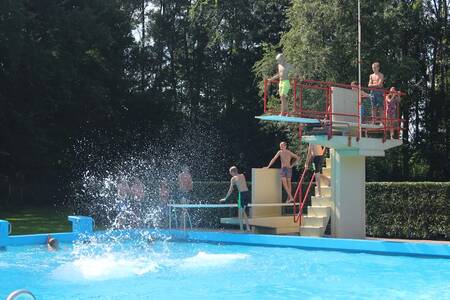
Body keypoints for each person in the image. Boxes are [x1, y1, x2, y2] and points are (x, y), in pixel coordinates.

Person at [219, 166, 250, 231]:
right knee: (243, 212)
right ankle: (247, 228)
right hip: (247, 193)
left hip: (241, 194)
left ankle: (243, 229)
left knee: (241, 213)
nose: (230, 174)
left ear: (233, 172)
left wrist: (225, 198)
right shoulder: (242, 175)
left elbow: (230, 190)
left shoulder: (233, 178)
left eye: (230, 172)